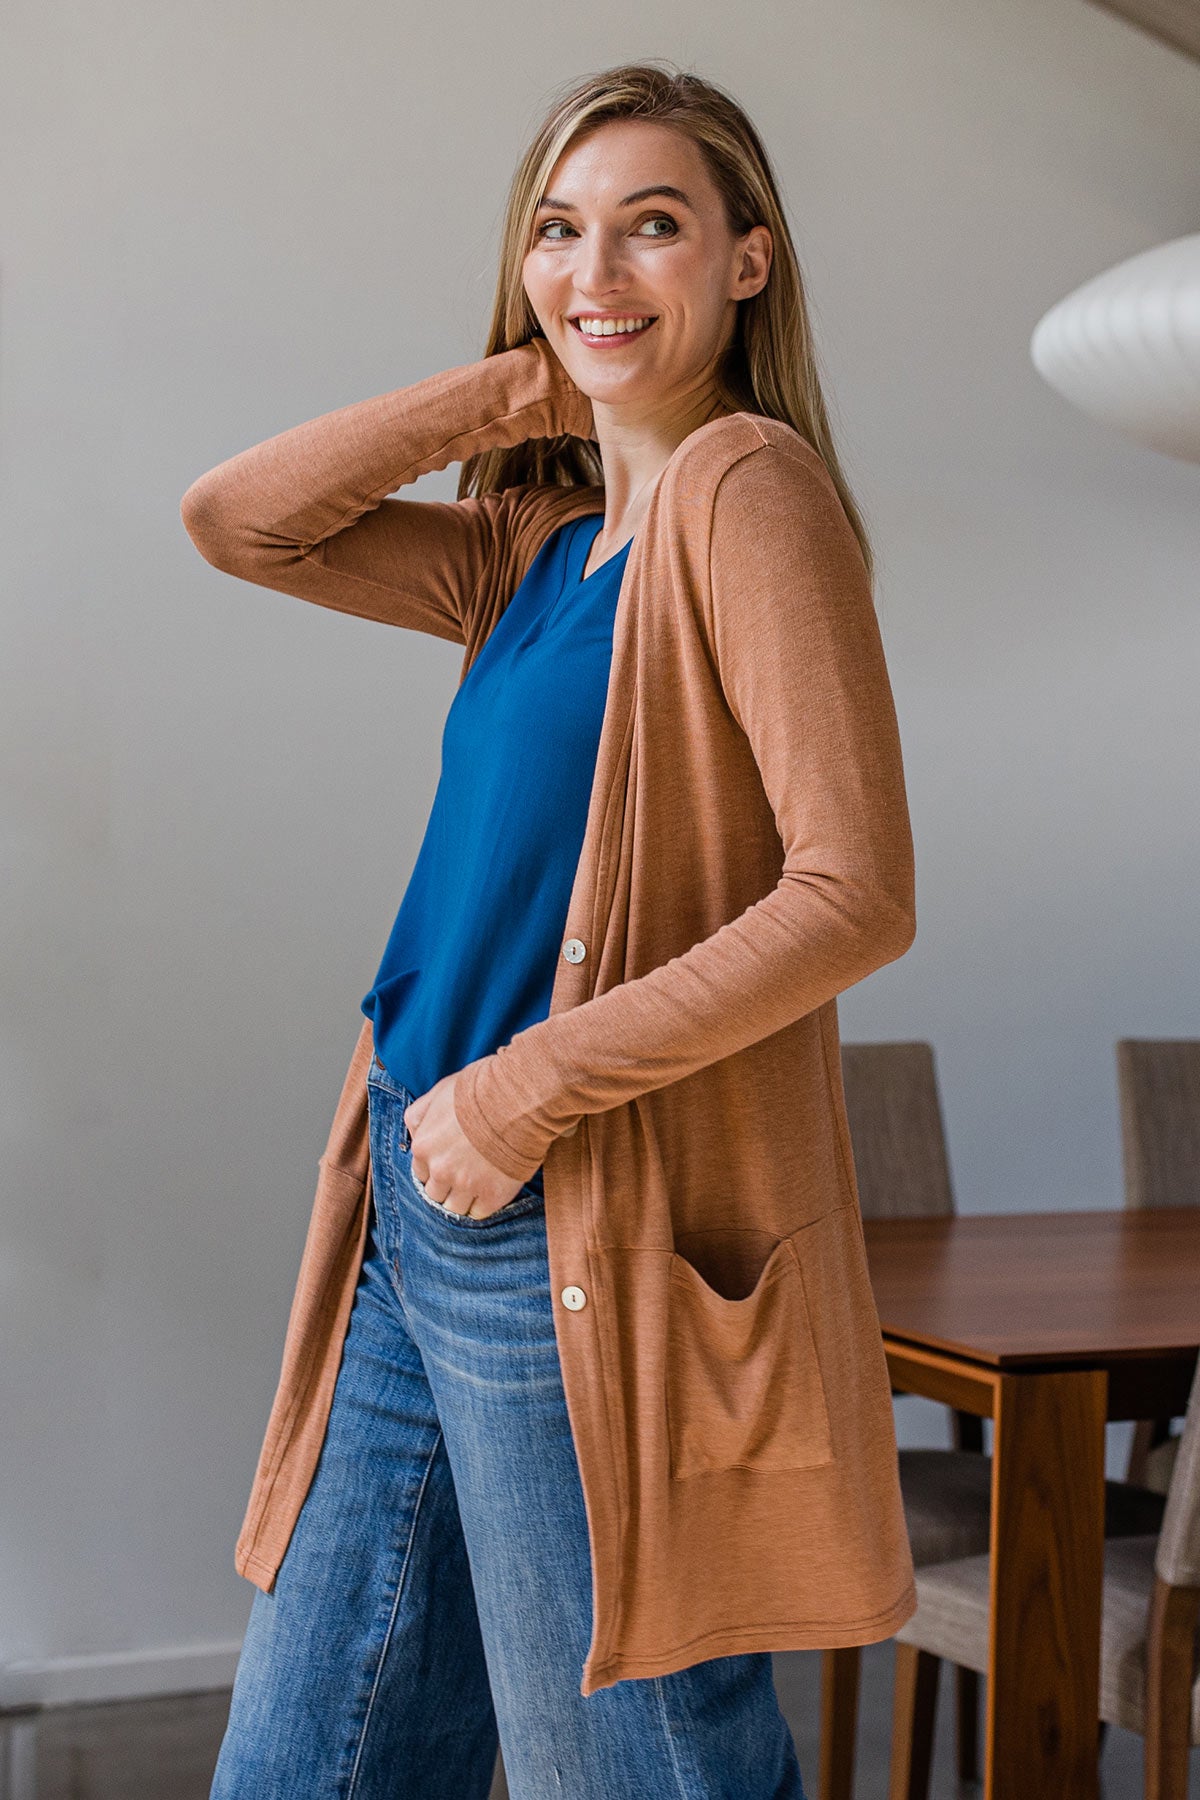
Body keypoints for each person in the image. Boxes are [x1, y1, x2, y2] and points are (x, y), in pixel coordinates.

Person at [183, 57, 917, 1800]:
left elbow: (855, 891)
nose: (599, 266)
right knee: (310, 1762)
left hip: (562, 1222)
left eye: (652, 228)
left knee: (632, 1764)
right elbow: (237, 522)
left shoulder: (750, 491)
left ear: (748, 260)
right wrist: (529, 377)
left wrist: (525, 1095)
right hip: (405, 1211)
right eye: (561, 233)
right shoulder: (542, 539)